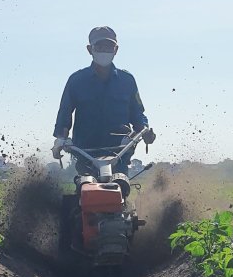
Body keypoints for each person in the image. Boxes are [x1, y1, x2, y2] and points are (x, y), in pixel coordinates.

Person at [52, 26, 155, 173]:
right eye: (99, 46)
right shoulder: (77, 80)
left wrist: (144, 130)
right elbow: (65, 113)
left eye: (109, 46)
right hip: (86, 152)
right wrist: (61, 138)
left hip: (120, 150)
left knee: (120, 185)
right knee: (86, 186)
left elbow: (137, 113)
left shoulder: (127, 80)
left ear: (116, 49)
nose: (104, 50)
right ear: (90, 49)